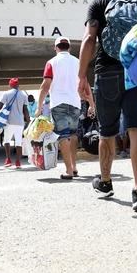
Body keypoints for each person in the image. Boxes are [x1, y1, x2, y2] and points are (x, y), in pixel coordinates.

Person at [78, 0, 137, 212]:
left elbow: (90, 39)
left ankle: (106, 182)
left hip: (107, 71)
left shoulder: (99, 1)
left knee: (107, 131)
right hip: (136, 71)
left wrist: (81, 76)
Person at [36, 36, 92, 179]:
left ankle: (68, 171)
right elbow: (85, 85)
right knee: (73, 135)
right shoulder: (78, 62)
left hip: (59, 103)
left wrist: (39, 106)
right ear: (69, 47)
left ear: (56, 48)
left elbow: (45, 86)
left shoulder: (51, 62)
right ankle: (74, 167)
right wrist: (92, 104)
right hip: (75, 103)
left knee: (63, 136)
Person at [0, 78, 29, 169]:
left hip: (9, 121)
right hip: (20, 122)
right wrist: (29, 121)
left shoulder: (6, 93)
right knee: (18, 142)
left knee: (7, 140)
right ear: (18, 85)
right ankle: (18, 162)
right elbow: (25, 110)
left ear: (10, 85)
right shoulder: (23, 95)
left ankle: (8, 159)